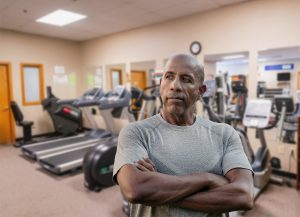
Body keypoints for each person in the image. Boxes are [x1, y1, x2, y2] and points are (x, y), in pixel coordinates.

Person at [113, 54, 254, 217]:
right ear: (161, 84)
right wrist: (208, 179)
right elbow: (135, 189)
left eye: (186, 79)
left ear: (200, 91)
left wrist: (157, 189)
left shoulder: (225, 134)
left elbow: (243, 196)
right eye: (169, 77)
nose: (175, 86)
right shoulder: (135, 132)